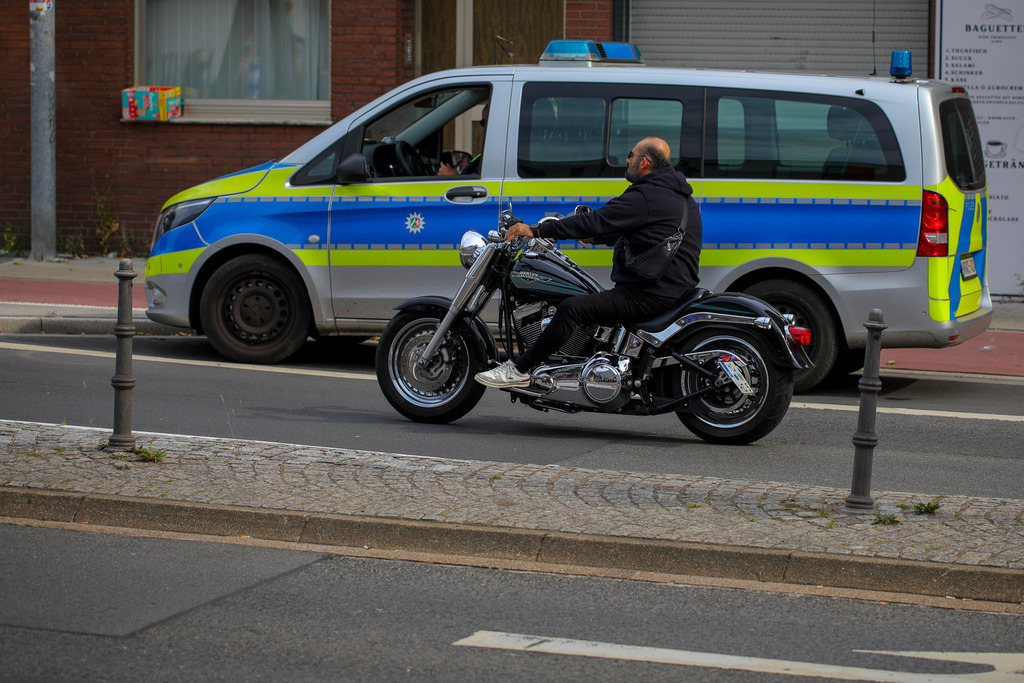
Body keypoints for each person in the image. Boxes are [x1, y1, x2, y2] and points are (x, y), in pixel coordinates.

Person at [474, 136, 702, 388]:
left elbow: (599, 220)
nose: (627, 159)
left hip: (649, 294)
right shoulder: (677, 195)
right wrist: (588, 236)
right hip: (671, 289)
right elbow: (617, 229)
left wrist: (537, 230)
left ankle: (519, 369)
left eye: (631, 155)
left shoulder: (646, 195)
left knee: (572, 309)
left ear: (644, 162)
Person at [438, 104, 488, 176]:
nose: (484, 128)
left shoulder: (500, 157)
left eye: (488, 123)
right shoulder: (487, 154)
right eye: (483, 123)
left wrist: (453, 177)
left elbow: (479, 185)